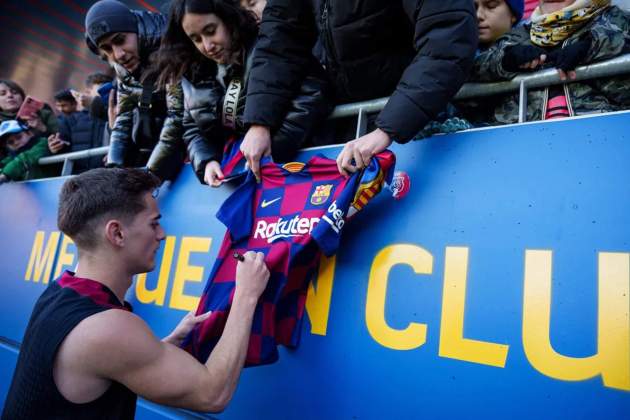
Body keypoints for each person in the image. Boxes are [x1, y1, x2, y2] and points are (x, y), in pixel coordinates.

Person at [2, 167, 270, 418]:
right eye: (154, 223)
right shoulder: (108, 329)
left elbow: (106, 364)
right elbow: (212, 395)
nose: (162, 235)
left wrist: (164, 344)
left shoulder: (58, 292)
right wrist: (246, 295)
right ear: (117, 233)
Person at [239, 0, 478, 179]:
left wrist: (386, 130)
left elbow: (446, 41)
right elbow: (280, 41)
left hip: (421, 125)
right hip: (351, 134)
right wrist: (260, 123)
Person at [151, 0, 330, 187]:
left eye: (211, 31)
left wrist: (270, 149)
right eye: (196, 39)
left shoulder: (268, 48)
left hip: (300, 168)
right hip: (249, 175)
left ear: (229, 18)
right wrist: (207, 161)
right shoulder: (194, 72)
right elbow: (192, 127)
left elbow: (312, 95)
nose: (207, 45)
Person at [467, 0, 630, 124]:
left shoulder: (615, 19)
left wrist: (591, 45)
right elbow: (475, 69)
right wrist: (506, 60)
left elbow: (621, 32)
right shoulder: (518, 36)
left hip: (604, 137)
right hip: (523, 147)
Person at [85, 0, 184, 180]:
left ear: (136, 29)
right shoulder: (123, 68)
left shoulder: (171, 48)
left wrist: (149, 174)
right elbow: (123, 118)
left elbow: (177, 116)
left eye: (120, 40)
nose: (118, 55)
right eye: (107, 49)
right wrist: (114, 167)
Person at [48, 89, 108, 173]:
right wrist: (56, 148)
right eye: (58, 106)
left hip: (103, 172)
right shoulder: (65, 121)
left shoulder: (108, 117)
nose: (61, 109)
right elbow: (64, 148)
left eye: (64, 105)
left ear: (74, 103)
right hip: (78, 174)